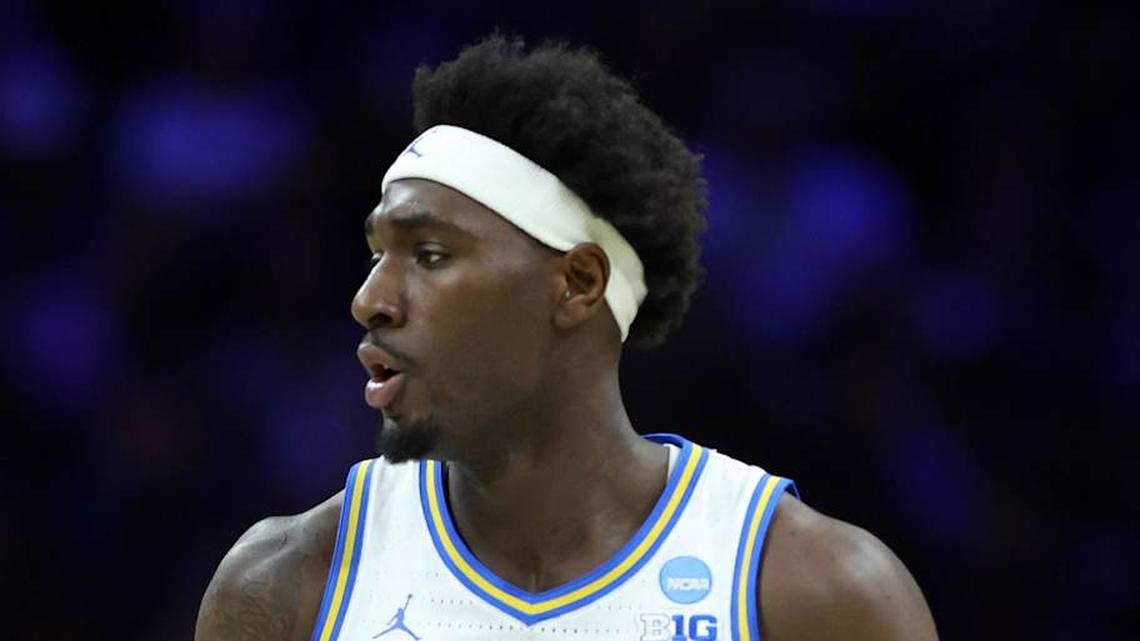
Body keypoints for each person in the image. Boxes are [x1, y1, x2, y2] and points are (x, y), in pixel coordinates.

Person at [195, 35, 939, 641]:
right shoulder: (287, 584)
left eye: (429, 256)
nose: (370, 300)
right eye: (375, 254)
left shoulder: (815, 589)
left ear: (579, 283)